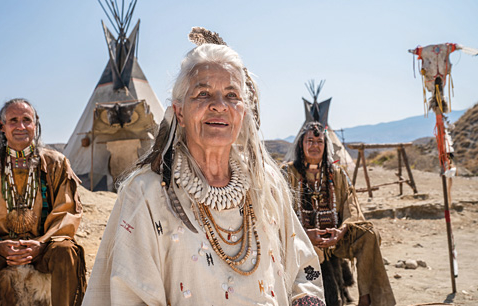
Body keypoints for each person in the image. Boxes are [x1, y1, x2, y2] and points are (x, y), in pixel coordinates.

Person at [83, 28, 325, 305]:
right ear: (179, 112)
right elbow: (129, 293)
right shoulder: (147, 194)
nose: (219, 105)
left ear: (243, 112)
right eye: (202, 93)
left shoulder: (265, 185)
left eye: (232, 95)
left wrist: (305, 298)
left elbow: (301, 267)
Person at [0, 98, 86, 306]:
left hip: (44, 246)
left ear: (35, 125)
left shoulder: (56, 163)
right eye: (13, 120)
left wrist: (41, 243)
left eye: (26, 120)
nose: (21, 126)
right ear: (2, 127)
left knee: (67, 252)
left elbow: (68, 211)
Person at [283, 121, 395, 306]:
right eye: (309, 141)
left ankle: (368, 298)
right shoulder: (288, 174)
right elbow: (281, 213)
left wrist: (341, 231)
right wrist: (304, 235)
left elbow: (351, 207)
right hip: (301, 241)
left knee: (369, 234)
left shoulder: (337, 174)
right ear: (301, 145)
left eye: (319, 142)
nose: (314, 146)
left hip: (336, 239)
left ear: (325, 146)